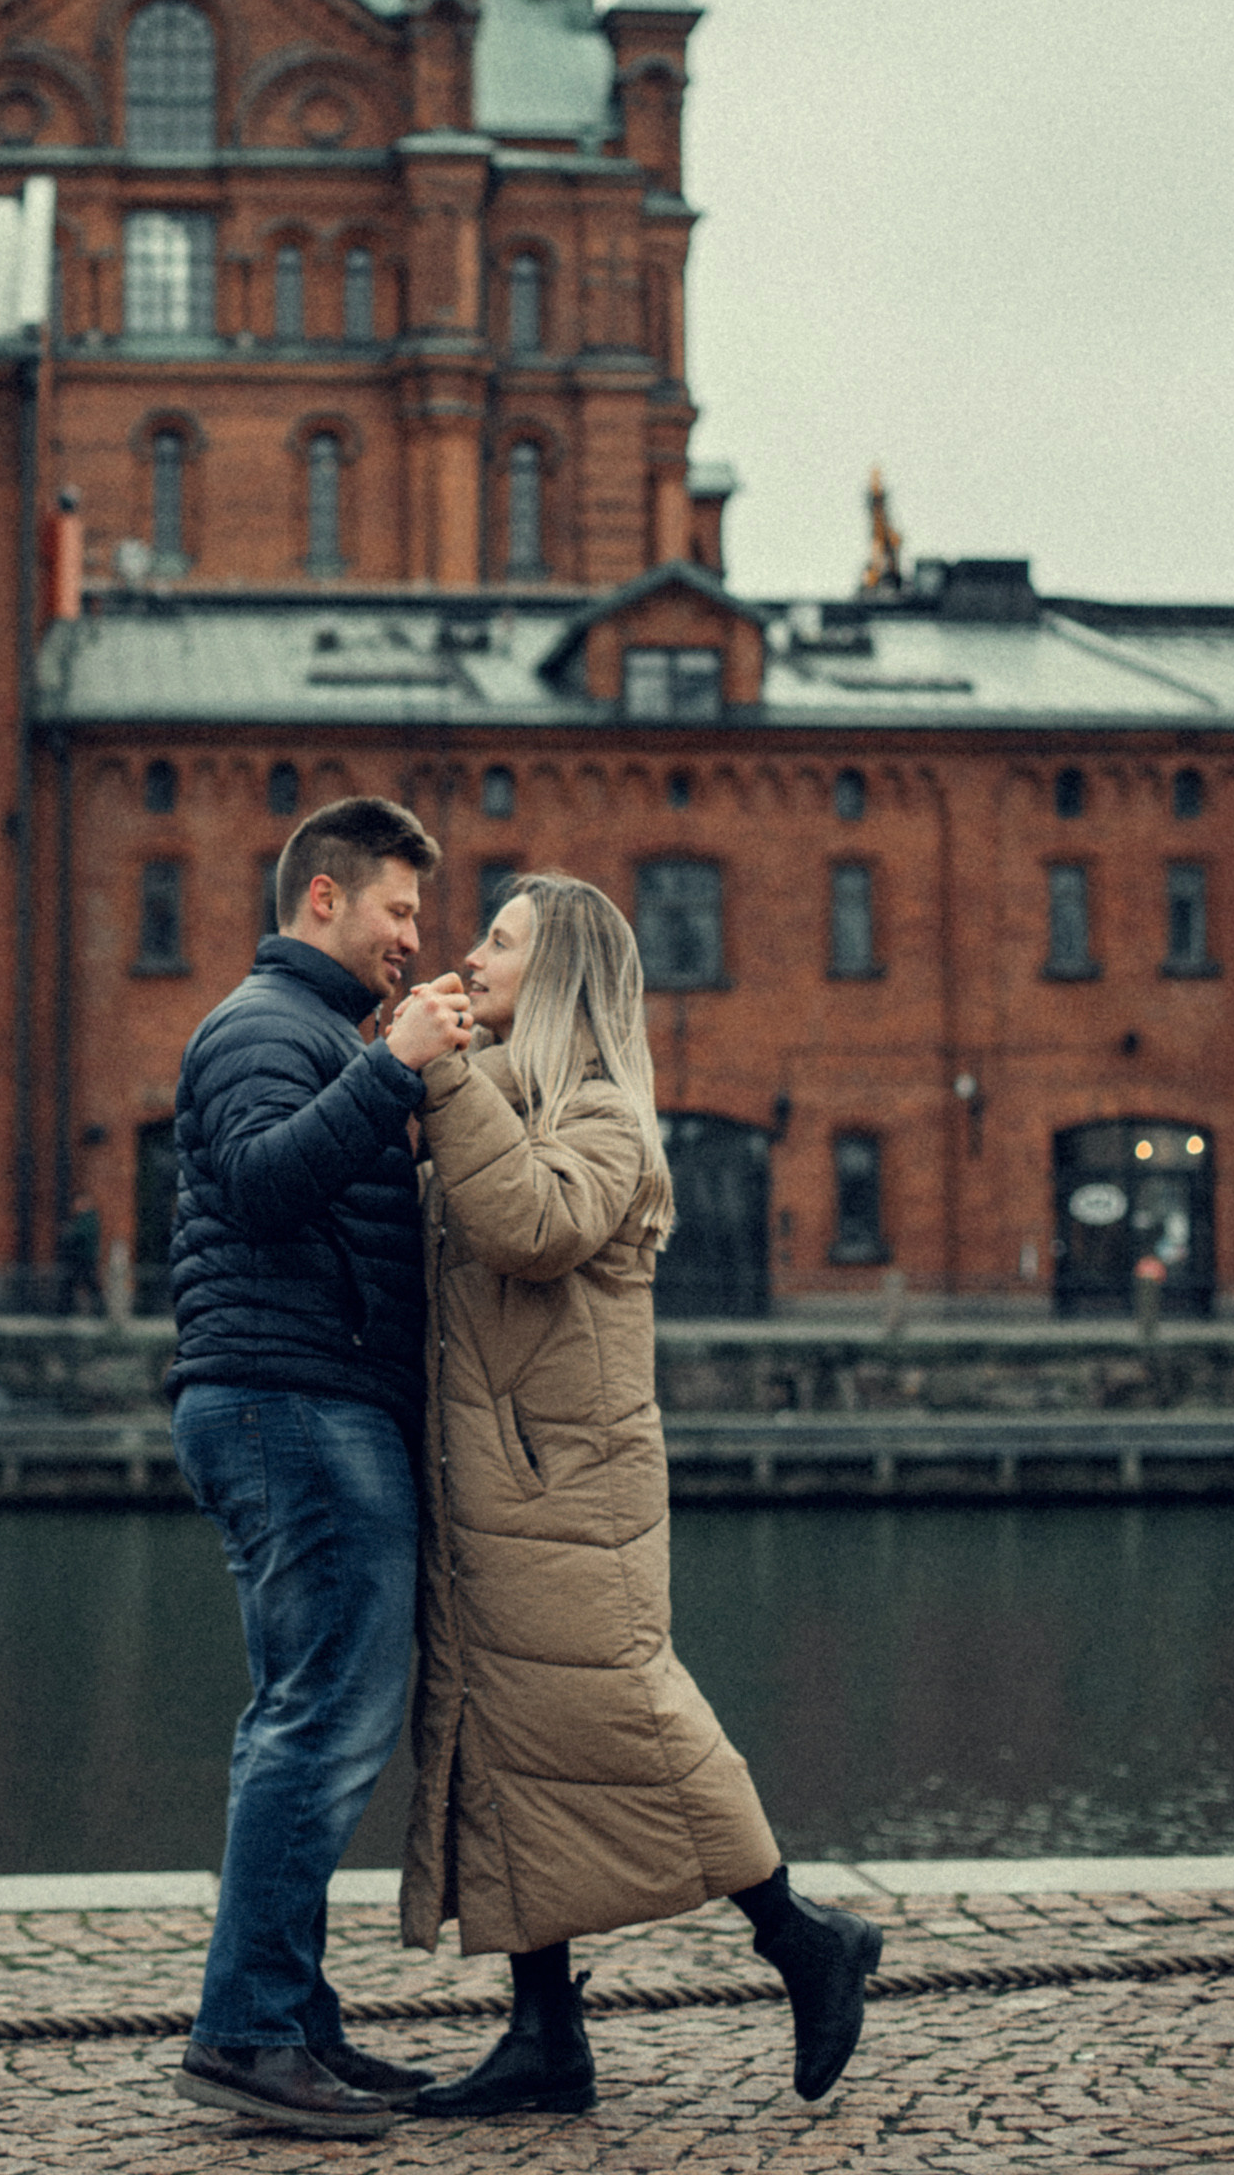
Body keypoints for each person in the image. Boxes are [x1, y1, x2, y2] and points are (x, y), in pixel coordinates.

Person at [402, 872, 883, 2119]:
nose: (472, 953)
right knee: (508, 1740)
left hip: (568, 1489)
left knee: (629, 1712)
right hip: (500, 1481)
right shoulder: (493, 1099)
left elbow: (530, 1225)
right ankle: (544, 2035)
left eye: (499, 941)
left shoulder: (605, 1117)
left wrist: (441, 1081)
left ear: (557, 973)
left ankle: (803, 1936)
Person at [168, 796, 473, 2140]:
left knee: (305, 1715)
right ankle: (245, 2033)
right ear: (322, 902)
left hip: (305, 1404)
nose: (414, 940)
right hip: (291, 1409)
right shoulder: (260, 1030)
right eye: (398, 911)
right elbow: (255, 1186)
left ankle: (288, 2018)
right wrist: (392, 1074)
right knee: (320, 1723)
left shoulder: (309, 1036)